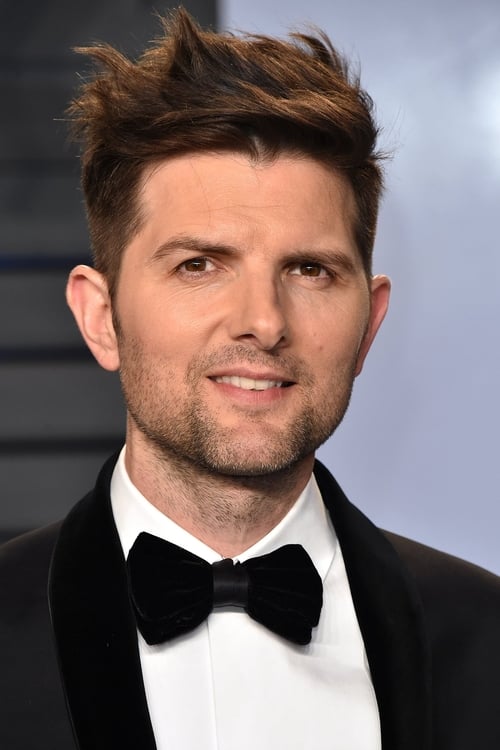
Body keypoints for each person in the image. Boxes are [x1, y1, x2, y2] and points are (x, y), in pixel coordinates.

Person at [1, 8, 499, 749]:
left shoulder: (486, 638)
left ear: (369, 324)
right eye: (199, 265)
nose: (263, 322)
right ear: (101, 318)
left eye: (310, 270)